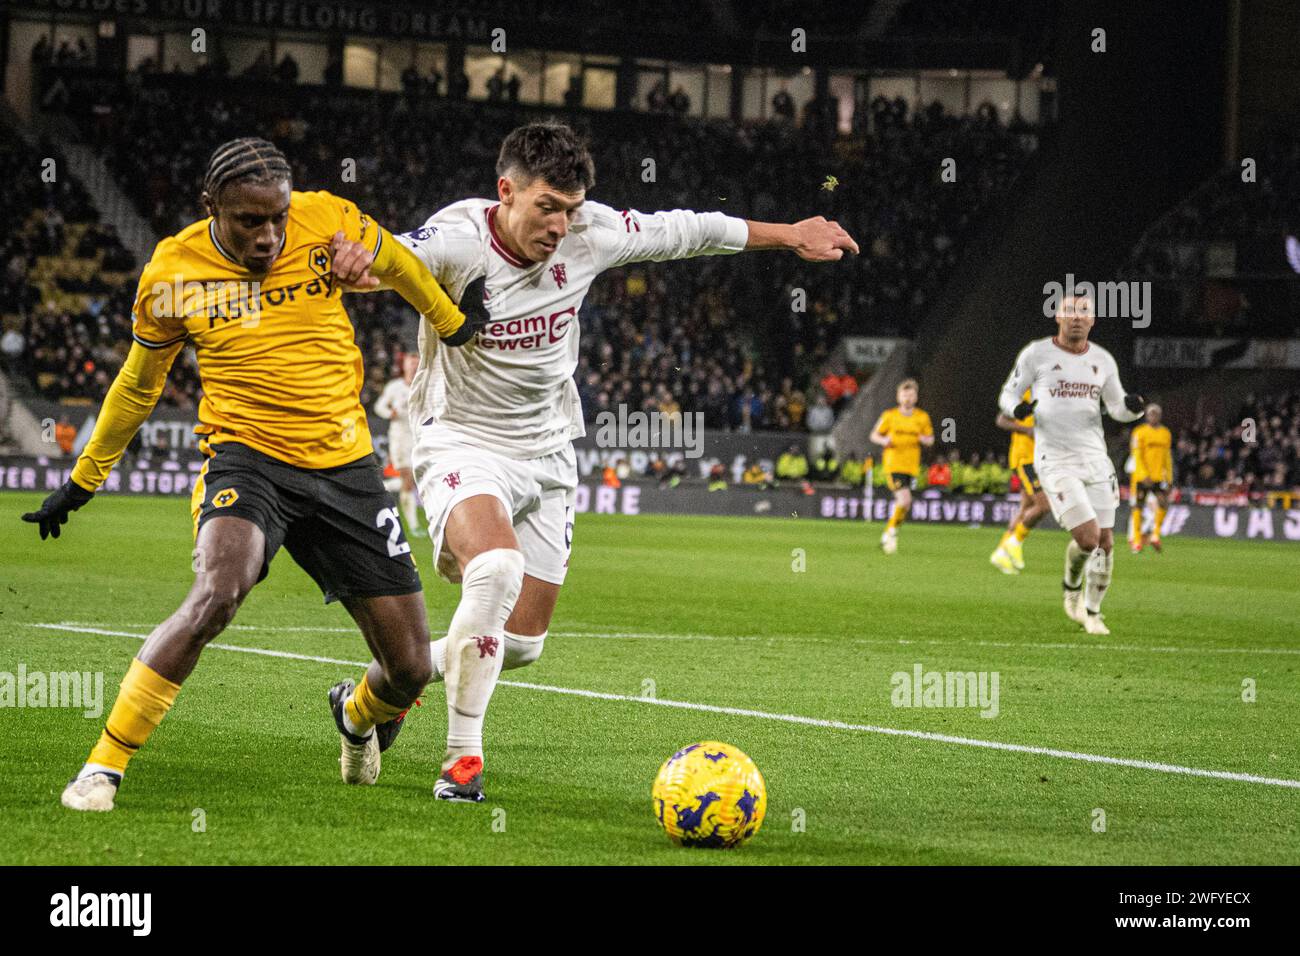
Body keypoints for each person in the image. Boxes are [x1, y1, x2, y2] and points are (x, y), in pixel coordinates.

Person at [328, 120, 857, 801]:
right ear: (506, 191)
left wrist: (790, 233)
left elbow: (686, 230)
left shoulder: (590, 233)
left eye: (571, 209)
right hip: (463, 441)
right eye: (547, 206)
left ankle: (365, 703)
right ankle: (462, 762)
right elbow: (388, 259)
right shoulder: (458, 238)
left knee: (519, 645)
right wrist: (347, 263)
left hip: (548, 451)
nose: (559, 225)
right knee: (494, 570)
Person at [25, 138, 486, 813]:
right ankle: (104, 766)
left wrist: (451, 324)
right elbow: (137, 385)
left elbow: (397, 260)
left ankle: (356, 714)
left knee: (411, 667)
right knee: (220, 589)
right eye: (249, 221)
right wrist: (84, 478)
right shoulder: (173, 272)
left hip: (344, 462)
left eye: (277, 218)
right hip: (246, 456)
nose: (269, 235)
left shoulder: (326, 218)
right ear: (211, 206)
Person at [998, 293, 1145, 636]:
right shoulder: (1037, 354)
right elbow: (1007, 394)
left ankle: (1092, 611)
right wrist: (1017, 409)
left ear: (1093, 320)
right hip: (1055, 460)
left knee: (1105, 543)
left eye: (1083, 312)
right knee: (1088, 537)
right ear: (1057, 317)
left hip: (1095, 458)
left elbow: (1117, 408)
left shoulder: (1103, 360)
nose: (1076, 317)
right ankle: (1071, 588)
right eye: (1069, 311)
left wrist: (1132, 408)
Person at [869, 379, 934, 555]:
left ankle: (889, 533)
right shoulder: (889, 415)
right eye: (904, 394)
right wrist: (883, 440)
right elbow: (874, 435)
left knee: (905, 504)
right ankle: (890, 534)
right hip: (893, 464)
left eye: (911, 394)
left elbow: (930, 439)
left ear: (916, 397)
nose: (907, 398)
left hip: (911, 466)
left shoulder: (922, 417)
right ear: (898, 397)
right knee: (904, 500)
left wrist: (925, 440)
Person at [990, 388, 1049, 574]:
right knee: (1044, 505)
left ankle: (1001, 552)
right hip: (1025, 458)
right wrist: (1027, 430)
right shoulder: (1025, 393)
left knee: (1026, 507)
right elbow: (1001, 419)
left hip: (1041, 458)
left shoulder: (1054, 393)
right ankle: (1014, 543)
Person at [374, 352, 423, 536]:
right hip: (400, 438)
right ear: (404, 366)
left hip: (419, 437)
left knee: (412, 480)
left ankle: (382, 487)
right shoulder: (395, 387)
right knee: (408, 480)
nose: (414, 367)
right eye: (411, 363)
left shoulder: (423, 385)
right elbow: (379, 406)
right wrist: (390, 413)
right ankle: (413, 525)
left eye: (417, 364)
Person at [1128, 403, 1173, 553]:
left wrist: (1169, 478)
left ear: (1160, 416)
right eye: (1150, 414)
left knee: (1164, 503)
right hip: (1142, 478)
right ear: (1146, 416)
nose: (1153, 416)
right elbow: (1136, 456)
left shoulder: (1166, 433)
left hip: (1159, 477)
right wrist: (1143, 474)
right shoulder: (1139, 432)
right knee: (1138, 507)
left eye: (1156, 414)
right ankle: (1136, 541)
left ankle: (1155, 535)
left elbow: (1167, 457)